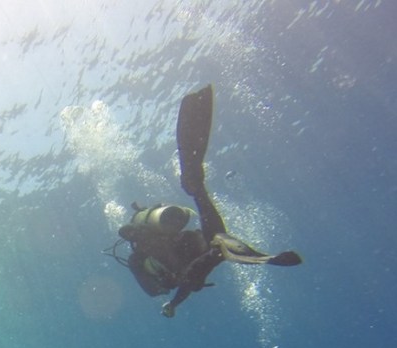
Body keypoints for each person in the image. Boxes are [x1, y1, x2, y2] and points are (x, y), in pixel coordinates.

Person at [112, 84, 302, 317]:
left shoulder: (149, 261)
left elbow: (177, 284)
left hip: (187, 256)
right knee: (215, 242)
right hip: (190, 247)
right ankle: (196, 187)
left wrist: (172, 304)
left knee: (212, 252)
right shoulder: (149, 253)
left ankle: (197, 189)